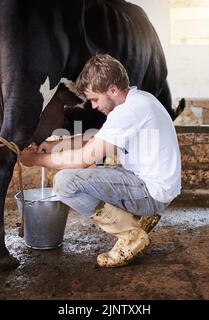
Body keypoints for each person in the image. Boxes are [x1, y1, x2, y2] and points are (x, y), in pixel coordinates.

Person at [21, 54, 181, 267]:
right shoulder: (139, 100)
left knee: (65, 182)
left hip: (151, 193)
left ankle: (130, 233)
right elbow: (94, 138)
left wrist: (36, 159)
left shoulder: (129, 111)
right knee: (93, 173)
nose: (94, 106)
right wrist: (51, 145)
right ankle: (139, 219)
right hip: (149, 183)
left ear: (113, 90)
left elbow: (82, 160)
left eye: (96, 99)